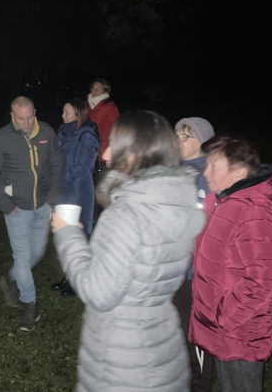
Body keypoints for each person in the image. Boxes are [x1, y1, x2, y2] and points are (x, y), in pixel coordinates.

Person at [51, 110, 206, 392]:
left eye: (115, 144)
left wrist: (67, 232)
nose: (107, 153)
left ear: (134, 154)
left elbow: (99, 293)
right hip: (164, 351)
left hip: (122, 364)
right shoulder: (181, 205)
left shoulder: (126, 216)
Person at [189, 137, 272, 392]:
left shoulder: (255, 212)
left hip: (239, 333)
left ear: (238, 171)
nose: (206, 171)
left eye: (214, 165)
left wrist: (223, 318)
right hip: (219, 327)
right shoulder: (222, 201)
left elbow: (263, 280)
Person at [0, 96, 64, 331]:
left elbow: (58, 166)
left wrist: (52, 199)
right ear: (12, 116)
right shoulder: (0, 139)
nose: (27, 123)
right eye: (21, 119)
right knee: (23, 258)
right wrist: (6, 205)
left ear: (35, 112)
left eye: (30, 117)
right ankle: (29, 305)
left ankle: (10, 278)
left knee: (35, 253)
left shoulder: (46, 132)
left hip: (42, 207)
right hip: (16, 209)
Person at [172, 117, 216, 391]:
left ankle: (200, 385)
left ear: (201, 142)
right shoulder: (173, 171)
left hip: (195, 273)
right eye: (175, 135)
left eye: (183, 137)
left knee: (195, 337)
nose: (177, 141)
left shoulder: (211, 177)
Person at [50, 99, 99, 298]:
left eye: (67, 112)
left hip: (78, 194)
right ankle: (68, 275)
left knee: (78, 237)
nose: (63, 116)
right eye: (63, 111)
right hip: (62, 192)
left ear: (78, 114)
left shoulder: (87, 136)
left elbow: (81, 168)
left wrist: (59, 174)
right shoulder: (62, 134)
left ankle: (79, 281)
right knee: (65, 237)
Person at [86, 78, 119, 165]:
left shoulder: (110, 107)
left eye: (99, 88)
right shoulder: (85, 105)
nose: (95, 90)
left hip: (102, 150)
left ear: (105, 91)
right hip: (86, 148)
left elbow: (117, 128)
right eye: (93, 88)